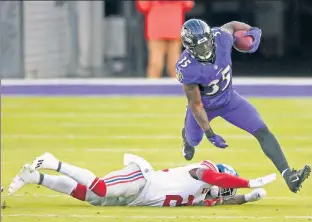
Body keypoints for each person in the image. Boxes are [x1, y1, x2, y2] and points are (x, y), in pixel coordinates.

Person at [176, 19, 311, 193]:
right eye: (200, 47)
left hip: (229, 99)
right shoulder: (186, 67)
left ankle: (288, 175)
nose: (206, 48)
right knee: (193, 140)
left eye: (207, 42)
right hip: (205, 107)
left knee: (262, 131)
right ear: (190, 48)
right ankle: (186, 137)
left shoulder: (220, 38)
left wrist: (254, 30)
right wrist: (210, 133)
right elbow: (196, 104)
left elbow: (232, 26)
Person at [8, 152, 274, 207]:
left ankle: (37, 176)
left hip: (137, 198)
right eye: (223, 189)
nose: (221, 194)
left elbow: (229, 201)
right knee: (99, 188)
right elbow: (212, 176)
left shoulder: (204, 198)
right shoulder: (203, 171)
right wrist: (248, 182)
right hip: (143, 180)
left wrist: (248, 198)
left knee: (86, 196)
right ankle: (53, 161)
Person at [136, 0, 194, 78]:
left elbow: (142, 6)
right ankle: (175, 87)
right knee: (168, 63)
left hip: (161, 31)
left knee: (159, 63)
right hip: (168, 31)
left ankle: (153, 87)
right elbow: (189, 4)